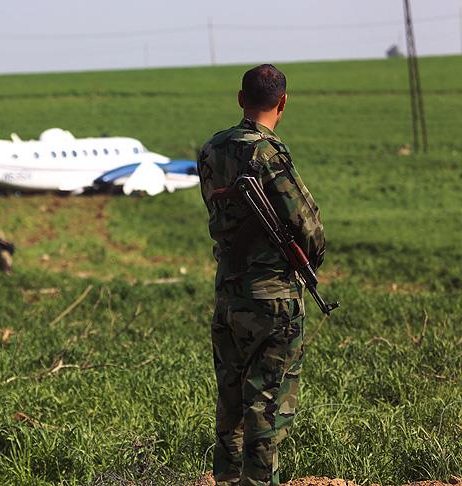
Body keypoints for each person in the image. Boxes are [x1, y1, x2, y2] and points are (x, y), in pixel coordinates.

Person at [196, 64, 325, 486]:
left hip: (228, 297)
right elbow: (309, 228)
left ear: (240, 98)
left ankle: (228, 480)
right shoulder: (268, 153)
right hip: (273, 300)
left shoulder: (211, 149)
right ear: (283, 102)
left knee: (231, 401)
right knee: (266, 405)